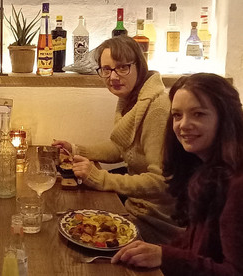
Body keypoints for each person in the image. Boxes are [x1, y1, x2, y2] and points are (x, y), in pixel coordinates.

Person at [53, 35, 181, 243]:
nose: (113, 76)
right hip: (134, 207)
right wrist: (75, 149)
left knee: (70, 233)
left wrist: (101, 179)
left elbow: (161, 182)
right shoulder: (132, 99)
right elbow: (121, 147)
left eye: (122, 68)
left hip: (156, 222)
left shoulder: (157, 108)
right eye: (106, 69)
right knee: (71, 218)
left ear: (139, 66)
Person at [112, 73, 243, 275]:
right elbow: (194, 243)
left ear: (225, 117)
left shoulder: (237, 185)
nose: (183, 125)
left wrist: (165, 256)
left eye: (198, 114)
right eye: (177, 115)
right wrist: (156, 251)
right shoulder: (203, 170)